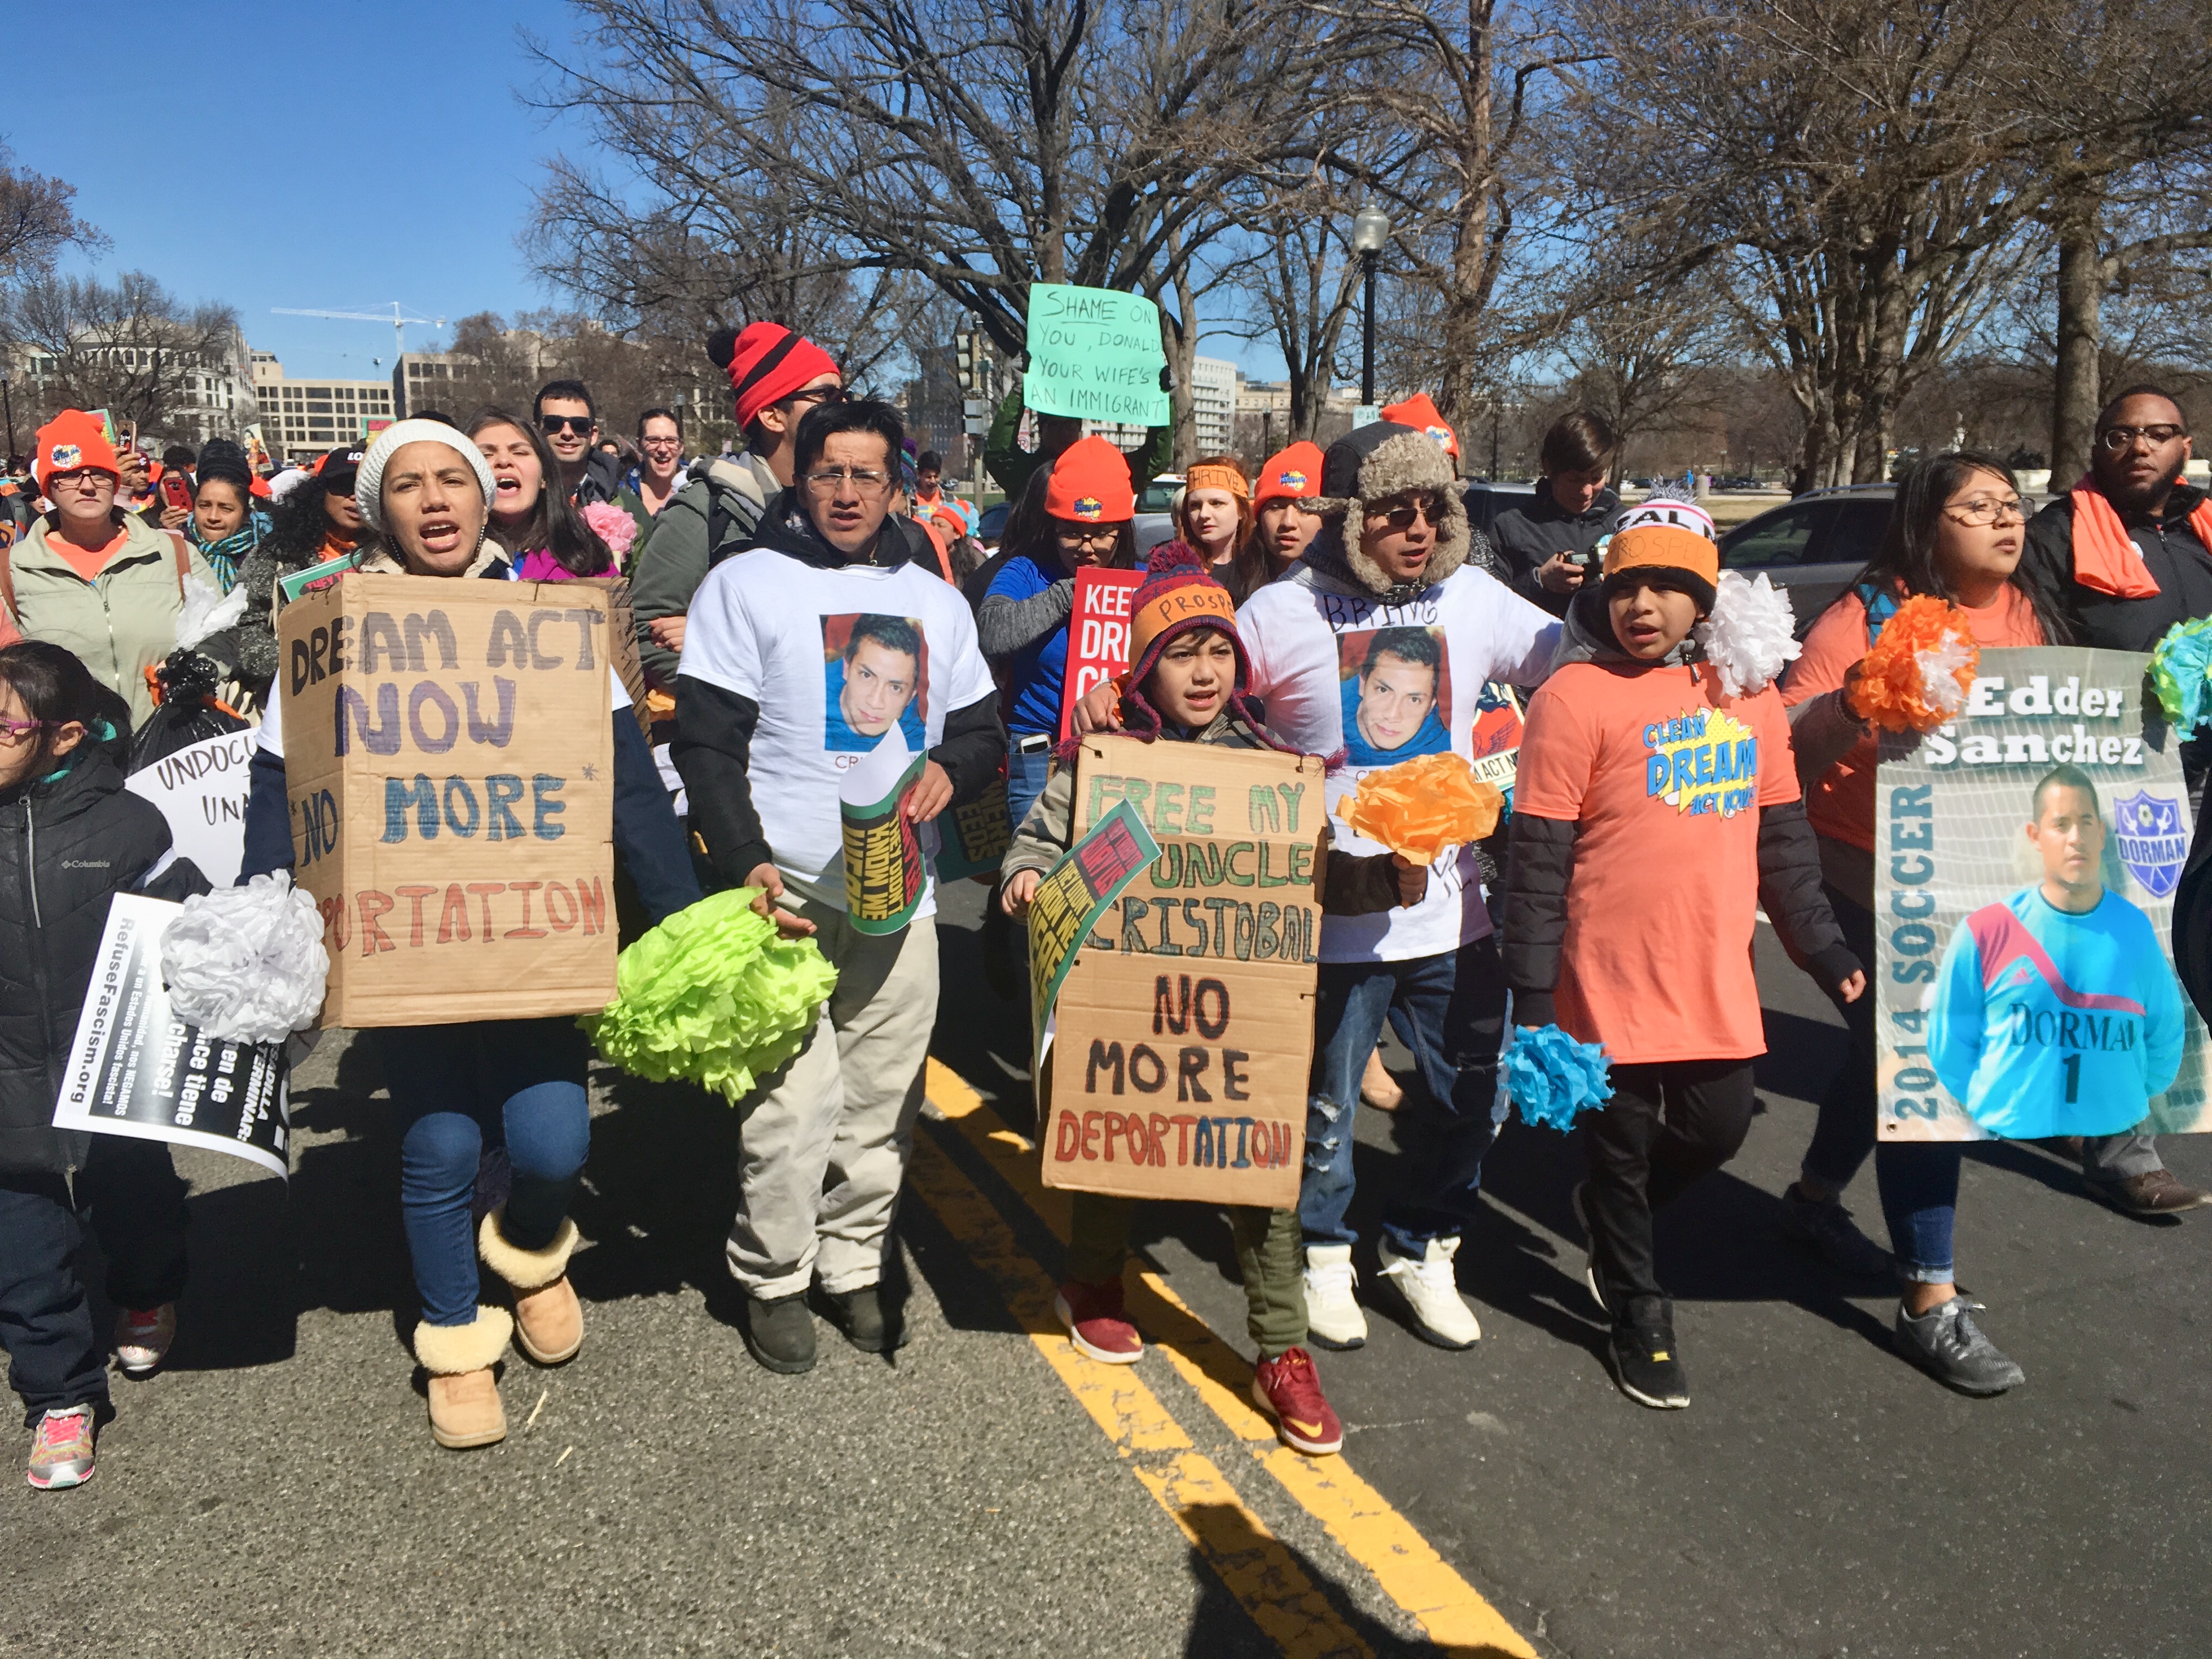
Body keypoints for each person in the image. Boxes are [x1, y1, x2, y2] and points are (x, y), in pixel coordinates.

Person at [236, 419, 700, 1449]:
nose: (436, 499)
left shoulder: (549, 620)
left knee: (553, 1141)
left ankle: (529, 1245)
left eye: (455, 478)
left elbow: (625, 775)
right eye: (409, 484)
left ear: (487, 499)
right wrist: (264, 905)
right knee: (440, 1141)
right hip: (406, 943)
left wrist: (680, 912)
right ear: (379, 510)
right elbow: (281, 777)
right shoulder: (331, 628)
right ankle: (455, 1337)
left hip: (535, 932)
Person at [1000, 543, 1426, 1457]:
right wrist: (1028, 875)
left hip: (1238, 1017)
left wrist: (1383, 881)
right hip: (1129, 1006)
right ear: (1146, 666)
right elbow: (1038, 837)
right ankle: (1093, 1283)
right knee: (1114, 1142)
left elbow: (1312, 878)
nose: (1204, 672)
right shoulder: (1109, 754)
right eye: (1182, 653)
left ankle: (1281, 1349)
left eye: (1219, 651)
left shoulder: (1274, 764)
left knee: (1262, 1178)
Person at [672, 397, 1003, 1374]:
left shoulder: (937, 599)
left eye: (868, 475)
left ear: (897, 487)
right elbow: (707, 740)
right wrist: (742, 859)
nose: (848, 492)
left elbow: (978, 731)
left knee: (883, 1093)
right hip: (784, 889)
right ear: (799, 477)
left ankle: (853, 1258)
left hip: (901, 891)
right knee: (790, 1102)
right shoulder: (744, 584)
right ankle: (772, 1274)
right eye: (829, 473)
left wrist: (953, 771)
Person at [1503, 512, 1860, 1409]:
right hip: (1602, 967)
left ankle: (1607, 1215)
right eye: (1625, 586)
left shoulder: (1745, 695)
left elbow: (1783, 841)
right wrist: (1532, 989)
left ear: (1702, 604)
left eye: (1666, 588)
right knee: (1620, 1147)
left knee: (1716, 1129)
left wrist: (1821, 944)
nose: (1642, 605)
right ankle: (1637, 1308)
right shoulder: (1572, 697)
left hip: (1710, 970)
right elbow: (1538, 857)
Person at [1227, 420, 1561, 1351]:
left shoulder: (1471, 596)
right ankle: (1324, 1251)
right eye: (1393, 512)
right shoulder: (1280, 611)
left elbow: (1573, 661)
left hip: (1453, 912)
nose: (1419, 530)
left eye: (1433, 509)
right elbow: (1202, 702)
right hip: (1329, 917)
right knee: (1328, 1105)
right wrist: (1118, 702)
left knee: (1479, 1096)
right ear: (1346, 517)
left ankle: (1422, 1244)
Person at [1779, 452, 2064, 1391]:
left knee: (1879, 1055)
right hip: (1866, 877)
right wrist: (1856, 696)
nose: (2005, 519)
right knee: (1924, 1063)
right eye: (1978, 506)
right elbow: (1784, 745)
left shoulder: (2029, 611)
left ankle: (1812, 1200)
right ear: (1925, 524)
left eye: (2011, 503)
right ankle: (1928, 1299)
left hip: (1986, 878)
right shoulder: (1863, 614)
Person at [0, 641, 208, 1488]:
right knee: (23, 1253)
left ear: (64, 735)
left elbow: (185, 932)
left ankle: (147, 1290)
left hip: (112, 1070)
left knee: (139, 1205)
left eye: (4, 727)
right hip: (7, 1080)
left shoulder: (129, 826)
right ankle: (59, 1393)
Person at [2019, 385, 2212, 1213]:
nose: (2140, 446)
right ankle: (2125, 1149)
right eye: (2121, 434)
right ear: (2098, 445)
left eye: (2158, 433)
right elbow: (2024, 642)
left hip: (2204, 772)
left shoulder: (2204, 525)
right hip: (2115, 778)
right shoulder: (2058, 533)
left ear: (2185, 445)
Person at [1931, 766, 2183, 1139]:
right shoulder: (1985, 930)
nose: (2075, 838)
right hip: (2005, 1125)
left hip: (2113, 1121)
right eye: (2061, 825)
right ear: (2035, 836)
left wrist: (2122, 1099)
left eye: (2086, 823)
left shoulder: (2135, 929)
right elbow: (1950, 1040)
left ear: (2101, 833)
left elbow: (2165, 1030)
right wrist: (1992, 1100)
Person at [629, 323, 844, 690]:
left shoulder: (853, 504)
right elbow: (648, 632)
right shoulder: (706, 507)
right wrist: (752, 699)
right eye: (827, 396)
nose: (844, 409)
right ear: (772, 415)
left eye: (844, 395)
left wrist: (714, 638)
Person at [0, 411, 224, 730]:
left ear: (115, 482)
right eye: (71, 475)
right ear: (49, 488)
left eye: (100, 474)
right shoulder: (11, 570)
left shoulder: (173, 553)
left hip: (171, 740)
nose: (88, 486)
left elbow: (222, 632)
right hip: (68, 751)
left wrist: (195, 671)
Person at [979, 436, 1141, 832]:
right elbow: (992, 633)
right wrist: (1071, 594)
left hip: (1122, 753)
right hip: (1039, 756)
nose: (1086, 547)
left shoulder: (1145, 580)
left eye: (1101, 534)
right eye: (1071, 532)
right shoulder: (1026, 572)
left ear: (1121, 530)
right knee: (1036, 864)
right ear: (1052, 527)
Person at [232, 444, 368, 691]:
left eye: (364, 487)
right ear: (320, 491)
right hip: (294, 695)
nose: (354, 496)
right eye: (343, 485)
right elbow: (242, 623)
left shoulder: (400, 553)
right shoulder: (278, 552)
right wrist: (299, 663)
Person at [1480, 410, 1622, 618]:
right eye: (1575, 480)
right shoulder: (1510, 527)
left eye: (1596, 478)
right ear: (1549, 468)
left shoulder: (1626, 524)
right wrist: (1539, 581)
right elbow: (1487, 607)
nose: (1586, 491)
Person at [467, 408, 614, 581]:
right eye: (486, 454)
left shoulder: (587, 559)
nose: (503, 461)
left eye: (519, 452)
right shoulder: (448, 559)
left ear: (544, 476)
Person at [983, 379, 1172, 505]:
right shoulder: (1027, 474)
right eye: (1055, 425)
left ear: (1079, 429)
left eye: (1069, 425)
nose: (1063, 432)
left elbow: (1153, 460)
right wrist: (1018, 392)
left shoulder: (1100, 470)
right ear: (1042, 429)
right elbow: (999, 455)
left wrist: (1164, 401)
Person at [1233, 440, 1325, 599]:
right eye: (1276, 508)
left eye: (1304, 509)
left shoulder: (1351, 595)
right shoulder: (1225, 586)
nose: (1288, 522)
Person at [183, 438, 268, 594]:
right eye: (204, 506)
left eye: (226, 508)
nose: (213, 517)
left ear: (246, 514)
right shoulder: (176, 549)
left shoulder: (267, 554)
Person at [532, 378, 630, 509]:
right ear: (535, 432)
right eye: (553, 423)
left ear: (593, 435)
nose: (567, 433)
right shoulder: (516, 501)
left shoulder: (626, 506)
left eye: (580, 425)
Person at [1177, 456, 1251, 592]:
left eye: (1216, 503)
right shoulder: (1171, 569)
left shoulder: (1263, 568)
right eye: (1195, 505)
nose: (1204, 514)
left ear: (1242, 510)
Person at [630, 408, 685, 522]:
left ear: (681, 447)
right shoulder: (622, 492)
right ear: (639, 445)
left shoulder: (700, 489)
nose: (663, 449)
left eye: (671, 440)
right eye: (654, 440)